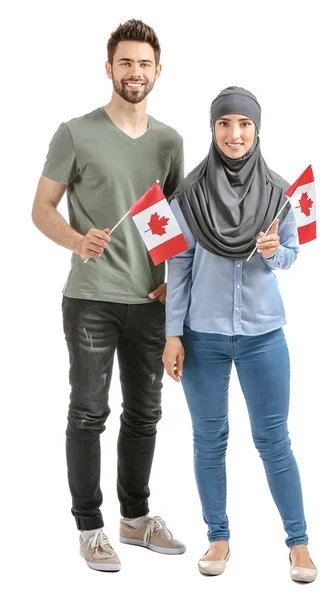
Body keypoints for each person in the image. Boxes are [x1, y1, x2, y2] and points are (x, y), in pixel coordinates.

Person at [32, 19, 186, 572]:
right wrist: (77, 239)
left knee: (145, 414)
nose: (135, 72)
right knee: (88, 412)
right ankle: (90, 527)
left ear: (158, 71)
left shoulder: (170, 141)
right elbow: (41, 209)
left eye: (144, 64)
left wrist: (176, 283)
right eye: (126, 63)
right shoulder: (74, 133)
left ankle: (136, 519)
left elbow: (173, 223)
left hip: (151, 300)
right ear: (109, 69)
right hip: (92, 298)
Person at [162, 86, 317, 582]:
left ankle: (299, 544)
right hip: (201, 336)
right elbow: (179, 267)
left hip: (263, 336)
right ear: (213, 129)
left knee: (274, 440)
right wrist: (172, 335)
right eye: (225, 124)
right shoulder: (189, 194)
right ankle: (218, 538)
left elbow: (291, 256)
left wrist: (274, 251)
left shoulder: (280, 192)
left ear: (257, 129)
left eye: (244, 124)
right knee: (209, 440)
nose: (234, 134)